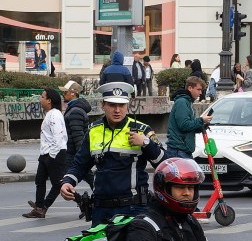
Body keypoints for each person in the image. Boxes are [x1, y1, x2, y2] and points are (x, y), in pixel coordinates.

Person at [60, 82, 167, 224]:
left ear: (127, 105)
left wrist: (146, 143)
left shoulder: (142, 130)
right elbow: (80, 164)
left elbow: (164, 164)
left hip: (133, 208)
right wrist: (67, 182)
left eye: (121, 105)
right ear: (103, 105)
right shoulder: (93, 130)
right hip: (101, 209)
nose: (117, 110)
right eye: (112, 105)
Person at [24, 89, 68, 219]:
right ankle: (39, 207)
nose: (40, 99)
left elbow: (58, 136)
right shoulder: (50, 114)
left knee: (58, 183)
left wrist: (52, 156)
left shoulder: (54, 115)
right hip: (46, 153)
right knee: (40, 180)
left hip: (54, 153)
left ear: (49, 100)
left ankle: (81, 202)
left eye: (42, 97)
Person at [59, 80, 94, 194]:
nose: (63, 94)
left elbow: (78, 134)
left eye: (65, 92)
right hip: (73, 151)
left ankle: (87, 204)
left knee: (66, 181)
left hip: (73, 152)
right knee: (65, 180)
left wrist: (81, 154)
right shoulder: (74, 108)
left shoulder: (75, 111)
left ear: (73, 93)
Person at [166, 76, 212, 159]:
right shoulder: (182, 102)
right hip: (178, 151)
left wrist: (201, 126)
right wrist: (201, 120)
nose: (200, 93)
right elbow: (184, 125)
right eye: (198, 89)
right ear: (190, 88)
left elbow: (189, 127)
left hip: (183, 150)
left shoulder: (187, 102)